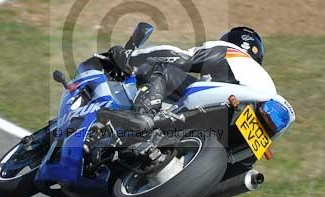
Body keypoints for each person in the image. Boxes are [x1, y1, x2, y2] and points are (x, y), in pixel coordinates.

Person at [99, 27, 294, 137]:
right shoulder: (265, 81)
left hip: (228, 102)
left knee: (163, 67)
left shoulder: (229, 50)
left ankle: (143, 115)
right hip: (263, 111)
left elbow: (180, 57)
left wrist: (130, 56)